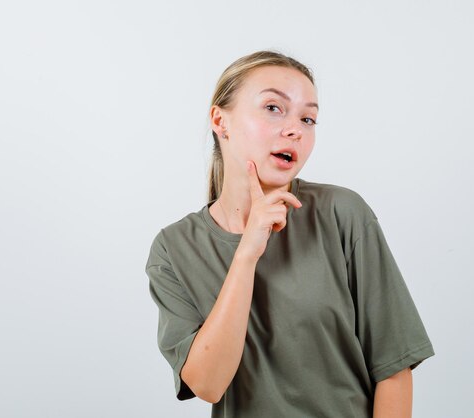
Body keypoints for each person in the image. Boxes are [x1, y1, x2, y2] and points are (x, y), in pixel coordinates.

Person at [145, 50, 434, 417]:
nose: (295, 128)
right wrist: (247, 253)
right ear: (221, 121)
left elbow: (394, 367)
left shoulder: (341, 213)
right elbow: (208, 383)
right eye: (272, 108)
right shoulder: (173, 249)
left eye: (308, 118)